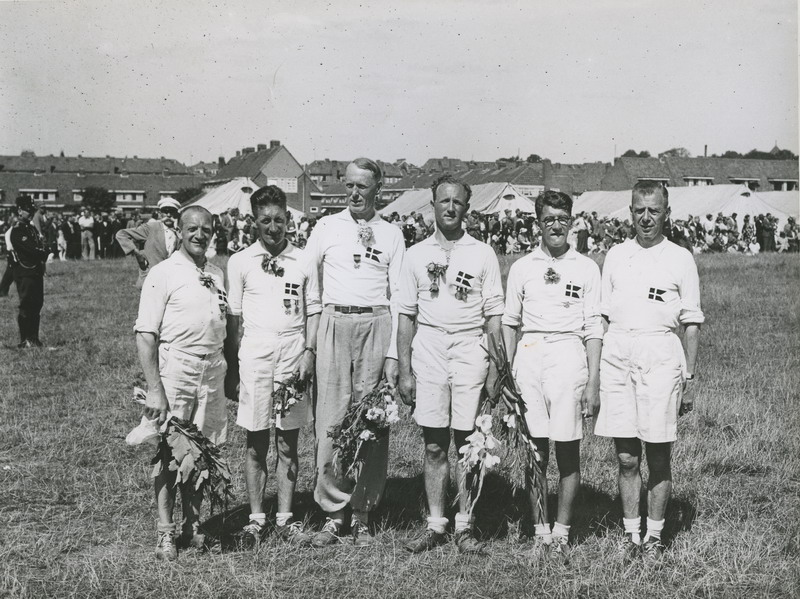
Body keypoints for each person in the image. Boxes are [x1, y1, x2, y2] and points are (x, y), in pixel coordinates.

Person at [594, 181, 703, 560]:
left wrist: (688, 377)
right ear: (630, 212)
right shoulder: (616, 255)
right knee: (626, 456)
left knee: (657, 455)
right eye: (639, 209)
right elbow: (603, 316)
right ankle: (630, 534)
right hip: (618, 354)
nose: (646, 218)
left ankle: (654, 536)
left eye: (653, 211)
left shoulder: (680, 258)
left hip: (661, 355)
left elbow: (691, 322)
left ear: (666, 214)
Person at [398, 175, 503, 555]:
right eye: (444, 201)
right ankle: (435, 524)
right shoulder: (414, 254)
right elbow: (406, 316)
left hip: (470, 348)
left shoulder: (483, 253)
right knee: (434, 444)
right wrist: (405, 370)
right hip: (429, 348)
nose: (450, 207)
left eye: (458, 202)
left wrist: (495, 368)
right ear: (433, 204)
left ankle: (465, 525)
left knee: (468, 443)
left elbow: (493, 317)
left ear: (467, 208)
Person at [304, 157, 405, 547]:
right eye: (349, 186)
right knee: (330, 417)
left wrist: (394, 354)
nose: (355, 193)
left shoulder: (392, 234)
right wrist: (314, 332)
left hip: (376, 324)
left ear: (377, 189)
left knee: (372, 420)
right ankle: (333, 512)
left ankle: (362, 511)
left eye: (363, 186)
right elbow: (308, 279)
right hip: (334, 323)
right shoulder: (326, 226)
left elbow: (399, 297)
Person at [501, 190, 602, 561]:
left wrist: (593, 380)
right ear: (538, 224)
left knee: (568, 448)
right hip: (529, 356)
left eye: (562, 218)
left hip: (569, 357)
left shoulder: (587, 267)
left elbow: (593, 327)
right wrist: (506, 375)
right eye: (548, 219)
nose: (555, 225)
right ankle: (540, 530)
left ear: (572, 222)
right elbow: (510, 323)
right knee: (534, 451)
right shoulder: (522, 267)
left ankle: (562, 532)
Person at [224, 186, 321, 548]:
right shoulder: (240, 260)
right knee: (255, 439)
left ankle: (285, 517)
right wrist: (234, 368)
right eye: (266, 220)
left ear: (288, 219)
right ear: (254, 222)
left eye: (279, 220)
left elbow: (314, 309)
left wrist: (308, 352)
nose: (274, 227)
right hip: (255, 352)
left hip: (293, 350)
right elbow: (233, 319)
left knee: (288, 441)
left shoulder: (303, 259)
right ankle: (255, 518)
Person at [135, 206, 230, 561]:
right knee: (169, 452)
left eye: (206, 229)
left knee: (202, 453)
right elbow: (145, 335)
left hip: (212, 370)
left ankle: (193, 525)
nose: (199, 235)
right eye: (192, 228)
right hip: (176, 369)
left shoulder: (217, 273)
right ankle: (165, 533)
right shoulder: (163, 273)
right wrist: (155, 388)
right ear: (178, 230)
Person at [9, 195, 49, 347]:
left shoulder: (31, 228)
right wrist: (42, 251)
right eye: (27, 210)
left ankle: (34, 338)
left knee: (37, 304)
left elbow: (43, 246)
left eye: (32, 210)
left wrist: (43, 250)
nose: (30, 213)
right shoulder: (17, 230)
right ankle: (25, 340)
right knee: (26, 304)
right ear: (19, 211)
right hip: (25, 272)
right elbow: (33, 250)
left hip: (36, 271)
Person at [116, 197, 181, 288]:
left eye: (172, 211)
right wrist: (137, 253)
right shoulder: (151, 228)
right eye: (165, 211)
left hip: (170, 280)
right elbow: (122, 234)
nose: (169, 214)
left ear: (177, 214)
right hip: (150, 277)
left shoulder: (179, 233)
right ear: (160, 213)